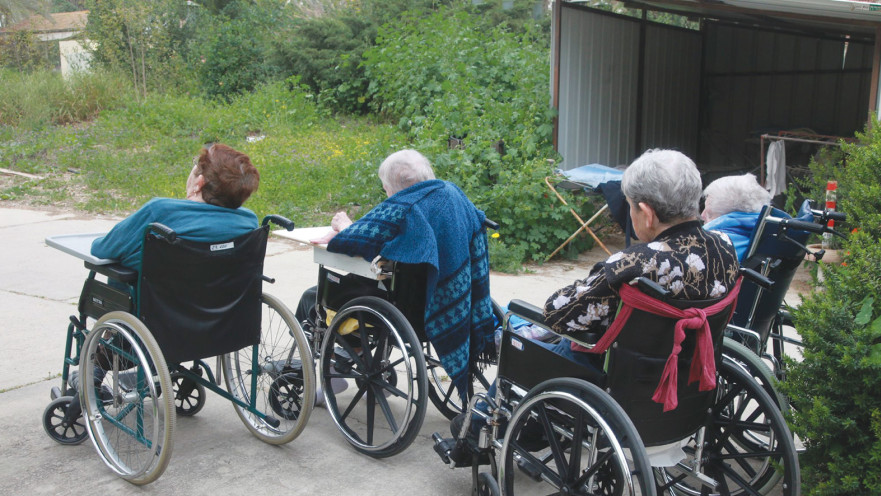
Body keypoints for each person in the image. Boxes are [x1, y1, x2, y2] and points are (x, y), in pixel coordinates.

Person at [451, 149, 740, 440]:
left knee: (526, 343)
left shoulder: (635, 264)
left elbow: (558, 313)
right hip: (686, 386)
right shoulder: (725, 248)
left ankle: (477, 430)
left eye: (630, 207)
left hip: (620, 387)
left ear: (648, 214)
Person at [296, 149, 495, 401]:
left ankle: (321, 369)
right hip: (433, 298)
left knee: (312, 298)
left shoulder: (407, 205)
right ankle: (348, 357)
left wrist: (344, 225)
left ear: (396, 187)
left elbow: (358, 239)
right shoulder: (454, 195)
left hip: (404, 305)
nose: (387, 195)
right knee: (363, 294)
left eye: (386, 188)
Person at [91, 143, 260, 271]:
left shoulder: (160, 212)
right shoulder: (248, 223)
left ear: (199, 183)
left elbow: (104, 249)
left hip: (153, 311)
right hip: (223, 313)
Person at [700, 173, 771, 261]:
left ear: (726, 217)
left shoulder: (708, 246)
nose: (702, 216)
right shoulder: (769, 237)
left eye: (709, 214)